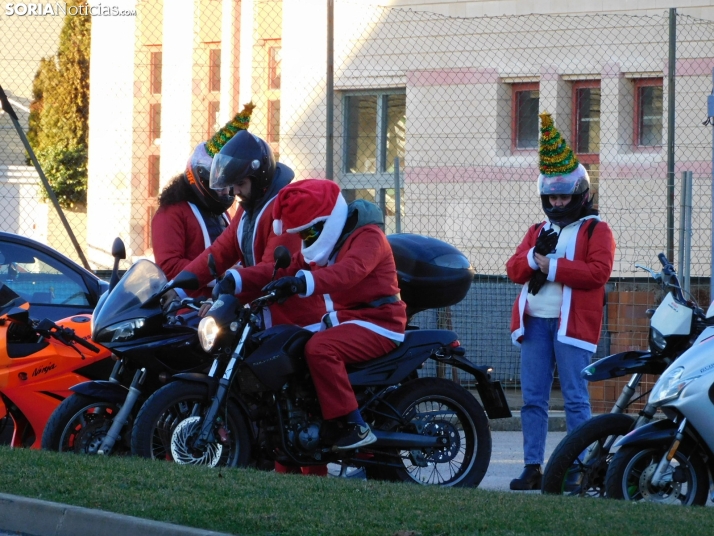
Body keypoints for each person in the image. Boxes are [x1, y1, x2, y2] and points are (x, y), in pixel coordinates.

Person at [181, 133, 327, 475]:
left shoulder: (285, 207)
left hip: (298, 318)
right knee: (276, 401)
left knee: (299, 401)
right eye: (232, 186)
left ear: (259, 177)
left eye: (240, 184)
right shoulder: (247, 212)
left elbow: (276, 267)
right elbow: (218, 252)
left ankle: (315, 472)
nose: (235, 193)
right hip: (268, 317)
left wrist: (232, 283)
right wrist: (178, 284)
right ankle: (282, 471)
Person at [506, 112, 615, 491]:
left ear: (580, 194)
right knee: (532, 399)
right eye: (551, 195)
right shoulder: (538, 230)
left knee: (574, 399)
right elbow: (514, 268)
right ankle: (532, 465)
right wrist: (531, 260)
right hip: (535, 323)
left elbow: (597, 273)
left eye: (563, 195)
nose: (557, 201)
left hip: (572, 326)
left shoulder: (596, 229)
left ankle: (579, 466)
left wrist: (550, 266)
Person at [256, 178, 408, 451]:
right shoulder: (331, 242)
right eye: (302, 235)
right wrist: (262, 283)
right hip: (350, 319)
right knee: (296, 345)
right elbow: (295, 267)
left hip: (380, 321)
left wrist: (302, 283)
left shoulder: (368, 236)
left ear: (327, 221)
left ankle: (354, 425)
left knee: (319, 348)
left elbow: (350, 271)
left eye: (310, 233)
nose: (306, 240)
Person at [151, 103, 254, 299]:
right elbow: (169, 267)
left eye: (229, 184)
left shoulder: (221, 213)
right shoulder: (171, 212)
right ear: (199, 177)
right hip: (186, 309)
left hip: (220, 303)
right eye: (218, 184)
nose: (226, 191)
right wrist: (224, 273)